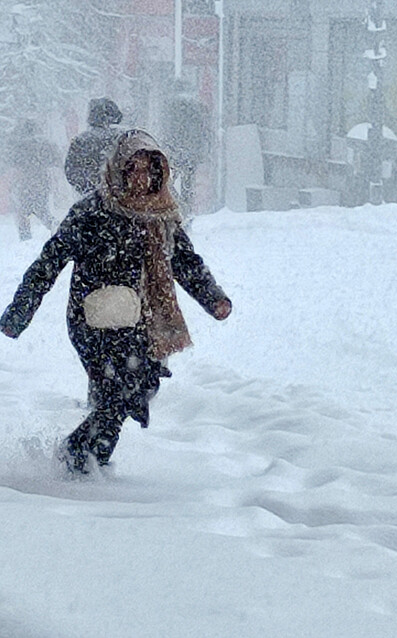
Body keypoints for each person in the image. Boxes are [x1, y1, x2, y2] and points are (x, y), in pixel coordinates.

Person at [0, 129, 232, 475]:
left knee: (140, 384)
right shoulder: (91, 211)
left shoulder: (161, 215)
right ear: (118, 171)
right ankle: (80, 457)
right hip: (91, 319)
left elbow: (184, 261)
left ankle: (91, 458)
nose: (141, 177)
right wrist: (20, 311)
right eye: (132, 169)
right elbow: (48, 262)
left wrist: (214, 299)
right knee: (116, 391)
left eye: (148, 169)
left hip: (140, 320)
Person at [161, 86, 211, 220]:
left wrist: (166, 147)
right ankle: (186, 209)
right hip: (191, 152)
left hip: (175, 151)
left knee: (167, 181)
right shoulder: (196, 106)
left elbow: (167, 130)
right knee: (187, 182)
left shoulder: (171, 106)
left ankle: (177, 206)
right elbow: (203, 131)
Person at [6, 119, 60, 240]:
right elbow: (56, 160)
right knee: (42, 208)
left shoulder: (20, 145)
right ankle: (52, 224)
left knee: (23, 210)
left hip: (25, 181)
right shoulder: (45, 144)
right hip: (42, 180)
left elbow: (13, 163)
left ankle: (25, 236)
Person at [64, 97, 124, 197]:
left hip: (91, 197)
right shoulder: (123, 137)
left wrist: (87, 189)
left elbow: (71, 171)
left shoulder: (81, 140)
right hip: (120, 198)